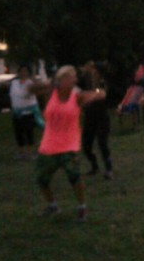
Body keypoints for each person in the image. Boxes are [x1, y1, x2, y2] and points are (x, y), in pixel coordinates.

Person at [29, 65, 105, 222]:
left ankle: (82, 207)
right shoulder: (51, 93)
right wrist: (49, 83)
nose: (75, 80)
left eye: (75, 77)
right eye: (71, 77)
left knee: (74, 177)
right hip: (49, 145)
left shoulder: (77, 96)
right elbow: (31, 89)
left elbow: (101, 94)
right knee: (42, 179)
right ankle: (53, 206)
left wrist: (96, 94)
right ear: (61, 79)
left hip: (69, 145)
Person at [80, 62, 113, 180]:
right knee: (86, 144)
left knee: (102, 143)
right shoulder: (87, 82)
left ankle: (109, 169)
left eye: (94, 71)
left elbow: (102, 95)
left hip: (101, 117)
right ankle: (94, 166)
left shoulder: (103, 82)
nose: (92, 72)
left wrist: (88, 97)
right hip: (89, 117)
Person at [9, 65, 40, 159]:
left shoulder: (30, 83)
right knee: (18, 132)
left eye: (25, 71)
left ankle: (30, 152)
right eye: (21, 71)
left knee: (29, 132)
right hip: (17, 113)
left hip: (28, 112)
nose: (23, 73)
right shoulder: (14, 83)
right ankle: (21, 152)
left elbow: (35, 89)